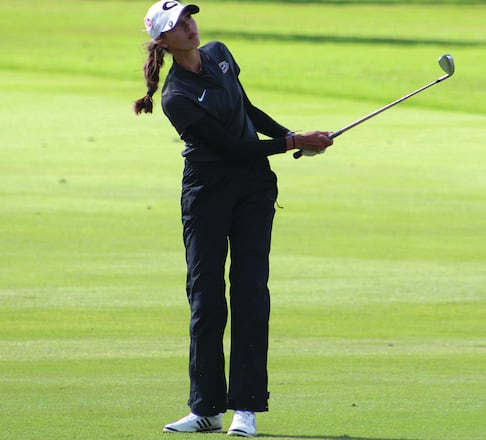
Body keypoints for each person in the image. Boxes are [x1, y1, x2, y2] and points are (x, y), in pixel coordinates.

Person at [134, 1, 333, 436]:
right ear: (163, 41)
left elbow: (247, 111)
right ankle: (206, 408)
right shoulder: (176, 97)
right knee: (206, 300)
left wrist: (291, 136)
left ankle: (246, 408)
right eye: (178, 25)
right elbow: (230, 148)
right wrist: (293, 142)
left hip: (254, 190)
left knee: (250, 293)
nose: (189, 27)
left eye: (189, 18)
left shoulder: (219, 54)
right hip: (207, 193)